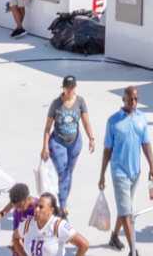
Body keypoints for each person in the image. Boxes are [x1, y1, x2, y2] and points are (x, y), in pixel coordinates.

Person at [98, 85, 153, 252]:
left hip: (135, 172)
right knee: (127, 212)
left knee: (125, 208)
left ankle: (114, 236)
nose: (133, 102)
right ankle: (133, 250)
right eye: (130, 98)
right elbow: (107, 150)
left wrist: (152, 167)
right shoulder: (113, 121)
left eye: (136, 99)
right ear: (123, 99)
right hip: (119, 172)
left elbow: (146, 143)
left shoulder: (142, 119)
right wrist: (102, 174)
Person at [40, 75, 96, 210]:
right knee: (63, 172)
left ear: (75, 87)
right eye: (67, 88)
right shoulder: (56, 104)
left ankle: (63, 199)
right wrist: (45, 147)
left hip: (75, 143)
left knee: (69, 173)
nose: (70, 91)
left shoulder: (80, 102)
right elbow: (47, 128)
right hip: (58, 142)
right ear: (63, 88)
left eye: (72, 88)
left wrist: (91, 138)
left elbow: (86, 122)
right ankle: (62, 204)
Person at [12, 193, 87, 256]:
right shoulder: (27, 224)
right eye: (36, 206)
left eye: (41, 207)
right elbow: (15, 237)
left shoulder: (58, 225)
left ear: (51, 210)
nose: (36, 209)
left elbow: (83, 244)